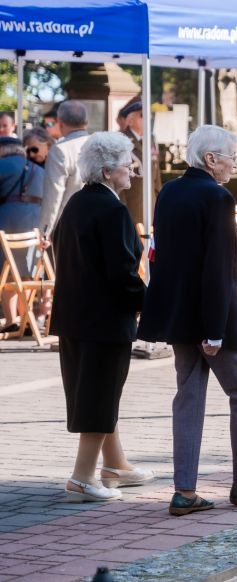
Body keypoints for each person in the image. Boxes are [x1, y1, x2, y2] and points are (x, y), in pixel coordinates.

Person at [138, 125, 237, 516]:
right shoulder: (217, 197)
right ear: (210, 159)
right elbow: (219, 269)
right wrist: (216, 330)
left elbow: (162, 256)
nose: (233, 163)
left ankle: (184, 489)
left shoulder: (168, 191)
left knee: (188, 396)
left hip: (176, 311)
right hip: (210, 314)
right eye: (229, 156)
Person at [49, 132, 154, 503]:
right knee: (99, 394)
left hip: (73, 315)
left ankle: (116, 465)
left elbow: (59, 252)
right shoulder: (113, 211)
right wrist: (152, 303)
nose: (133, 171)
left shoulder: (76, 203)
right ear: (109, 171)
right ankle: (81, 477)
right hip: (104, 319)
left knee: (100, 391)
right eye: (128, 164)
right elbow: (123, 274)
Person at [1, 136, 47, 334]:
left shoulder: (3, 165)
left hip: (6, 223)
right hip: (34, 225)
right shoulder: (39, 170)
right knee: (26, 272)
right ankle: (26, 319)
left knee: (5, 273)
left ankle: (11, 320)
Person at [40, 100, 90, 234]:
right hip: (98, 223)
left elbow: (54, 194)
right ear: (86, 122)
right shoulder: (99, 146)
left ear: (60, 122)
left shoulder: (60, 150)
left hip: (68, 225)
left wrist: (45, 230)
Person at [117, 101, 161, 229]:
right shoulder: (121, 140)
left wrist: (159, 198)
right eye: (142, 115)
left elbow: (156, 173)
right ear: (130, 121)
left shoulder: (151, 139)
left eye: (149, 114)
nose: (148, 118)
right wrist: (122, 207)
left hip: (151, 204)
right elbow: (118, 177)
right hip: (132, 206)